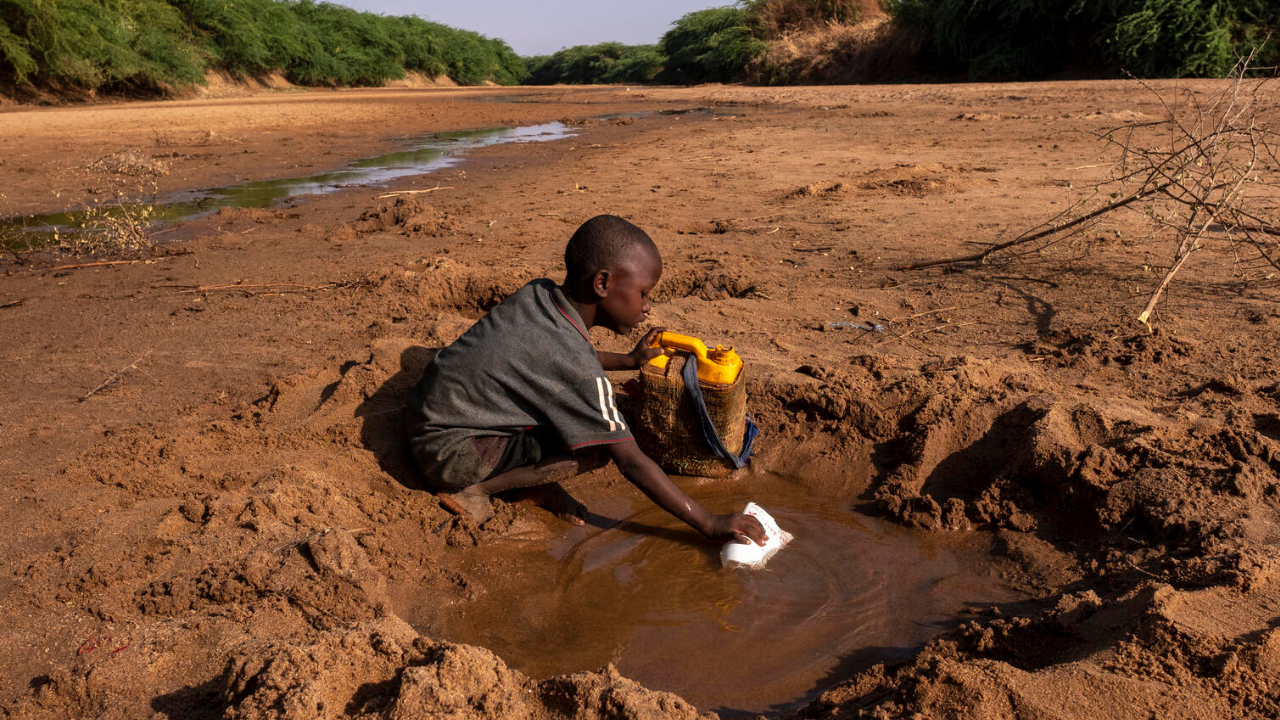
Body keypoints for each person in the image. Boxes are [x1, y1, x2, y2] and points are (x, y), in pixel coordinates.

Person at [405, 214, 767, 547]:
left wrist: (627, 361)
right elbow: (631, 462)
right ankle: (478, 488)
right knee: (597, 445)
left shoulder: (540, 294)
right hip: (450, 455)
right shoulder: (574, 362)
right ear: (602, 283)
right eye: (643, 293)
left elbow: (550, 360)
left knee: (579, 414)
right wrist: (709, 522)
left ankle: (527, 483)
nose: (648, 306)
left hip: (429, 418)